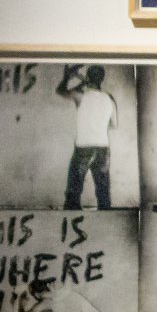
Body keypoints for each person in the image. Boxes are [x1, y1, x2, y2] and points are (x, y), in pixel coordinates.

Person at [57, 65, 116, 210]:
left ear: (88, 77)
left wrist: (68, 78)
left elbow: (60, 91)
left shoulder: (80, 96)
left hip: (83, 148)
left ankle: (72, 219)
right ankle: (105, 220)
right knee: (103, 193)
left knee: (73, 193)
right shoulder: (110, 98)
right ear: (102, 79)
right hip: (103, 149)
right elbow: (113, 125)